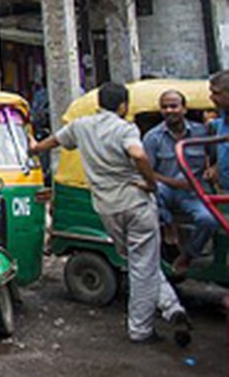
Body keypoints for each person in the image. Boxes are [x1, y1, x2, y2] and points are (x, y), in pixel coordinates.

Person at [30, 82, 190, 345]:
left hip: (107, 208)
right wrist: (150, 182)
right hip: (135, 204)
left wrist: (34, 148)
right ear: (123, 105)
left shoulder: (81, 126)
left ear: (99, 103)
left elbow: (54, 141)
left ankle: (172, 308)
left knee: (140, 262)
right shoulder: (125, 128)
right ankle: (141, 329)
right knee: (143, 265)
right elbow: (138, 154)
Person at [144, 89, 218, 276]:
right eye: (164, 107)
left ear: (184, 109)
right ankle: (169, 226)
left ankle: (188, 255)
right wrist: (173, 183)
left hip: (194, 192)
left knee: (208, 220)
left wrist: (212, 170)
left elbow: (214, 158)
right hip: (165, 190)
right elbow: (148, 173)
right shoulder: (153, 137)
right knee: (154, 190)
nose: (169, 110)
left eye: (174, 106)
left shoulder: (201, 132)